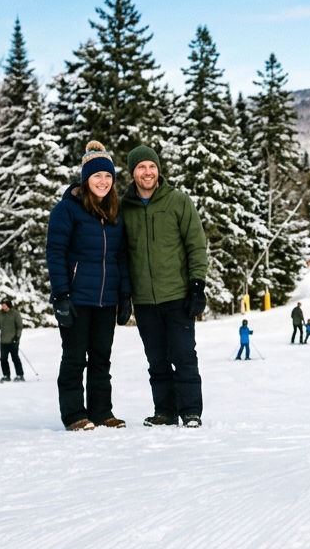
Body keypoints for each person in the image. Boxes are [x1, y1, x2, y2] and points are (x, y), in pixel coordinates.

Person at [122, 144, 209, 429]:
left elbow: (196, 245)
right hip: (144, 300)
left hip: (177, 295)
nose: (147, 172)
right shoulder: (125, 208)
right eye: (141, 167)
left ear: (158, 169)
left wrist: (197, 285)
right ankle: (165, 412)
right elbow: (120, 253)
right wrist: (124, 293)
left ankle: (191, 411)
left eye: (151, 166)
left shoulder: (178, 201)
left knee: (184, 356)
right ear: (133, 172)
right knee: (156, 360)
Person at [47, 141, 131, 430]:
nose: (103, 181)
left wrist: (124, 296)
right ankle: (74, 415)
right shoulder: (66, 210)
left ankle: (101, 412)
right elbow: (55, 254)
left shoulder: (114, 214)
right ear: (85, 179)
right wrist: (60, 295)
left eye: (108, 176)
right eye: (97, 176)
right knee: (74, 358)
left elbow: (121, 257)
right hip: (76, 297)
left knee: (101, 359)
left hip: (106, 300)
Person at [0, 299, 25, 382]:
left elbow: (19, 327)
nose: (3, 307)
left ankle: (20, 375)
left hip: (13, 341)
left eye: (4, 305)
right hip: (3, 341)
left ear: (8, 305)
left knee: (15, 358)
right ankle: (6, 376)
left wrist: (17, 337)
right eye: (2, 305)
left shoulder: (15, 314)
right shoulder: (0, 315)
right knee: (3, 359)